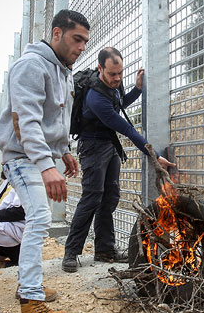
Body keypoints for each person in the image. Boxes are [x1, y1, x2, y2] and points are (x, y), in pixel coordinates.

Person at [0, 9, 89, 313]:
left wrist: (62, 151)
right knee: (38, 218)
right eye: (76, 39)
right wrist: (47, 165)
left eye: (85, 41)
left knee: (39, 218)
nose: (81, 47)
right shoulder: (32, 66)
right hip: (23, 157)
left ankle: (29, 285)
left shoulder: (63, 71)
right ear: (56, 33)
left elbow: (54, 120)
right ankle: (31, 306)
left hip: (38, 157)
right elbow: (26, 120)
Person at [62, 47, 175, 273]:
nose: (117, 79)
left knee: (110, 197)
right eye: (112, 74)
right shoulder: (95, 97)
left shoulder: (114, 85)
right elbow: (125, 127)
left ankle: (105, 250)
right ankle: (71, 252)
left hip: (109, 145)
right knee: (92, 198)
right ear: (100, 68)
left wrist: (137, 89)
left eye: (120, 73)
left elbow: (120, 104)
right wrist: (154, 156)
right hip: (92, 147)